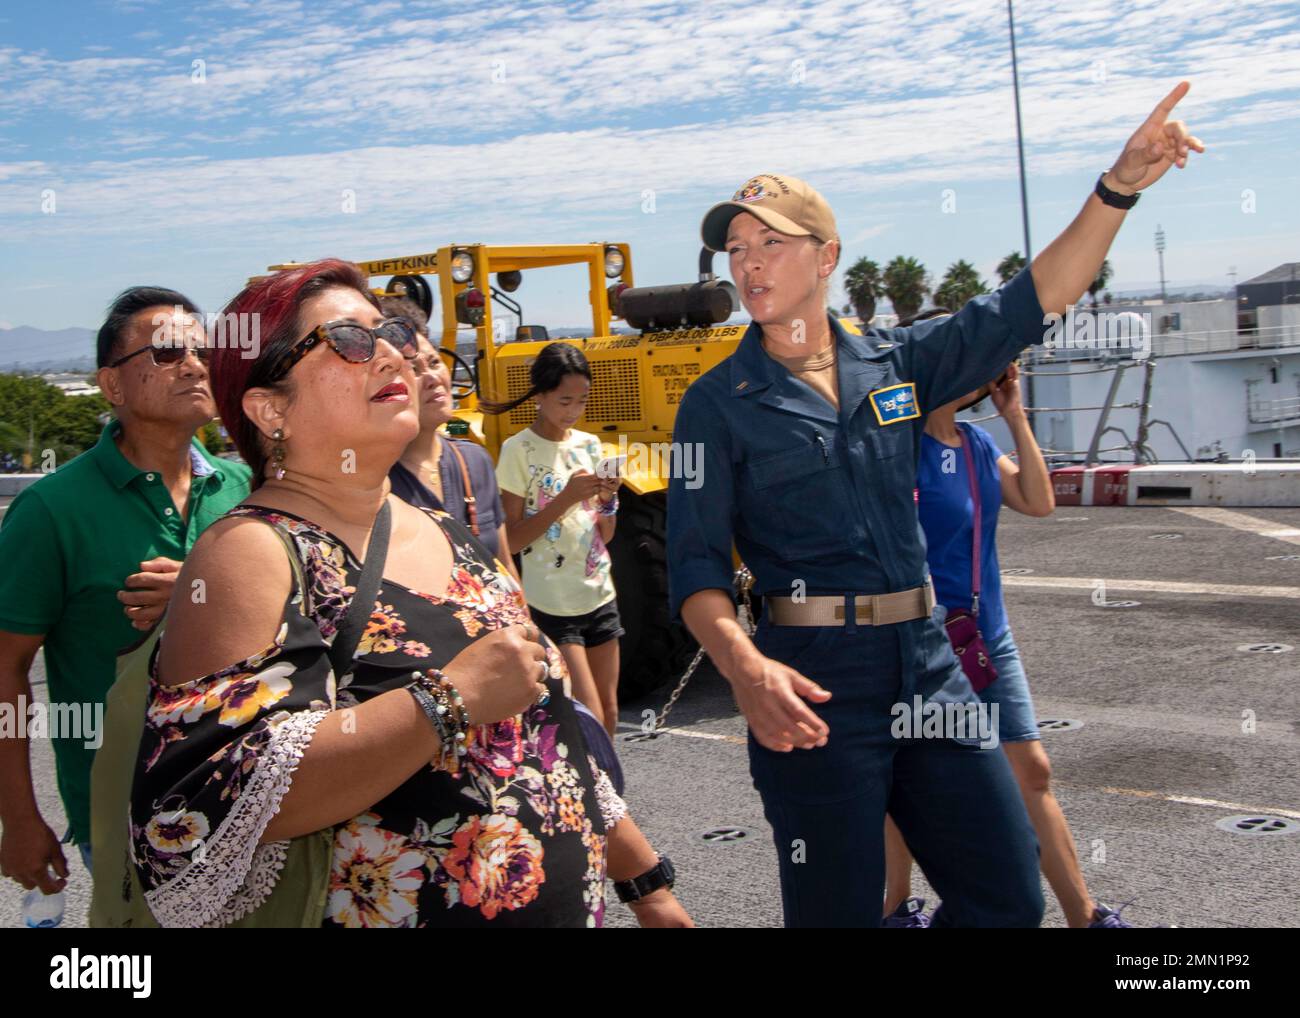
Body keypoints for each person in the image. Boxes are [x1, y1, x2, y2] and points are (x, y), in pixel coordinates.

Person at [668, 84, 1203, 927]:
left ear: (827, 255)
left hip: (928, 662)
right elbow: (695, 565)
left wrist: (1118, 188)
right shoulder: (715, 402)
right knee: (835, 913)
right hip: (812, 682)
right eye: (736, 248)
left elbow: (1031, 302)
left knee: (1004, 900)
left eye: (772, 242)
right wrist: (746, 667)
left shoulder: (900, 363)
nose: (748, 263)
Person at [131, 259, 688, 927]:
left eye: (389, 331)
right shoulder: (252, 554)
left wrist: (646, 885)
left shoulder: (443, 529)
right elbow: (194, 810)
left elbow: (545, 736)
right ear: (269, 407)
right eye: (349, 339)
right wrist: (448, 700)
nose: (390, 352)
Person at [0, 287, 251, 897]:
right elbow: (6, 670)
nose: (194, 364)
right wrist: (20, 820)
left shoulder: (248, 486)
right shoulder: (50, 511)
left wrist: (200, 588)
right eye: (167, 352)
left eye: (203, 350)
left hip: (255, 800)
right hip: (124, 815)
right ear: (111, 387)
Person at [882, 361, 1136, 928]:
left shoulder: (975, 442)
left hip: (984, 636)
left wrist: (1014, 415)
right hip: (921, 641)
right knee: (905, 778)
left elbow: (1039, 500)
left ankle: (1085, 917)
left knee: (1033, 772)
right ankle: (895, 909)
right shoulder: (896, 447)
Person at [484, 343, 624, 737]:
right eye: (565, 400)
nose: (574, 411)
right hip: (553, 605)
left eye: (582, 401)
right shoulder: (518, 450)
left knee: (610, 714)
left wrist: (609, 500)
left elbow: (605, 534)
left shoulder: (590, 445)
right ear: (540, 395)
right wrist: (565, 498)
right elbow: (510, 541)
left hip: (600, 593)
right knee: (590, 715)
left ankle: (604, 796)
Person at [381, 295, 514, 575]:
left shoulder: (475, 461)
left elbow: (505, 567)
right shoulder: (373, 483)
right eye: (414, 369)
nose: (432, 377)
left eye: (434, 362)